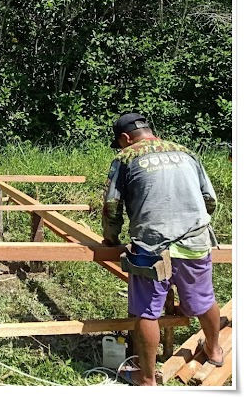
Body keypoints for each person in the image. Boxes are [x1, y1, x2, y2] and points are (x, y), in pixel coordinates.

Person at [102, 113, 222, 386]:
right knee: (203, 299)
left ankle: (147, 379)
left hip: (150, 246)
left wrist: (110, 239)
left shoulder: (125, 158)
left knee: (147, 311)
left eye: (120, 143)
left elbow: (111, 208)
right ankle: (214, 350)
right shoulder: (186, 152)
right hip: (194, 240)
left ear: (125, 138)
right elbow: (209, 200)